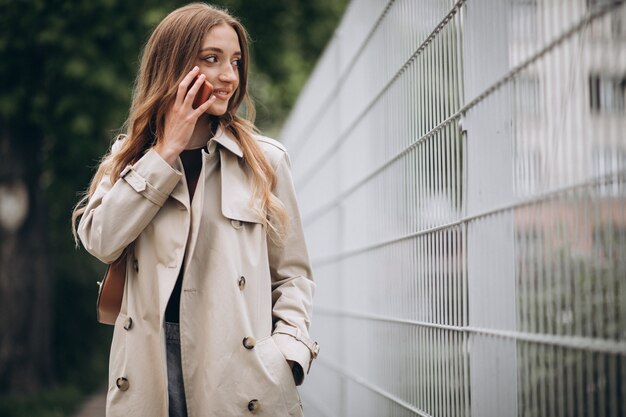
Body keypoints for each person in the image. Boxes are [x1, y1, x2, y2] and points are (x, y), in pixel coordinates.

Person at [72, 3, 318, 416]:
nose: (228, 76)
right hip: (148, 368)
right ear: (172, 66)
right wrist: (164, 152)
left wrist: (288, 354)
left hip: (240, 371)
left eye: (235, 62)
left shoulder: (265, 162)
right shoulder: (128, 160)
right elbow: (101, 240)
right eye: (212, 59)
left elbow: (293, 275)